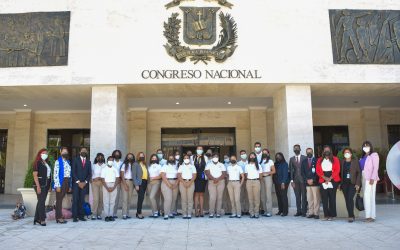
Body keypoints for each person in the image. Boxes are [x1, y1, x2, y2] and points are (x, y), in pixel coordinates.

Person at [316, 145, 341, 221]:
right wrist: (324, 178)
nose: (326, 151)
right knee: (324, 198)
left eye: (328, 150)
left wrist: (330, 178)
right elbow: (317, 170)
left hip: (333, 178)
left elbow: (337, 169)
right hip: (323, 178)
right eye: (325, 150)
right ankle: (326, 215)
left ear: (330, 151)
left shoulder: (335, 159)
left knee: (332, 198)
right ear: (323, 151)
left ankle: (332, 215)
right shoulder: (320, 160)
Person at [339, 148, 361, 223]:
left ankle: (351, 216)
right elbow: (340, 173)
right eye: (345, 152)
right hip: (344, 184)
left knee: (349, 198)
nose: (347, 153)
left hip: (353, 183)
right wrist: (339, 183)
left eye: (348, 152)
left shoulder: (355, 161)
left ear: (351, 154)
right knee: (347, 200)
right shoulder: (342, 161)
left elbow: (359, 173)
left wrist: (358, 184)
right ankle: (350, 215)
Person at [360, 141, 380, 222]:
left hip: (370, 178)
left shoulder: (374, 155)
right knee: (366, 196)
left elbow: (376, 168)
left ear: (370, 146)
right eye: (364, 146)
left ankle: (370, 216)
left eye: (367, 146)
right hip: (363, 176)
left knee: (369, 196)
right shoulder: (363, 156)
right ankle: (369, 216)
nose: (365, 147)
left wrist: (372, 178)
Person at [72, 147, 92, 222]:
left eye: (85, 151)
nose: (84, 152)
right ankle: (74, 216)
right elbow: (73, 172)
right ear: (80, 152)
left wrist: (85, 182)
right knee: (75, 200)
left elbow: (89, 174)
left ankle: (81, 216)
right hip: (76, 184)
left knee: (82, 200)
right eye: (82, 150)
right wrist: (78, 182)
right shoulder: (75, 160)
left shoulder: (88, 162)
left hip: (84, 185)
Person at [33, 149, 52, 226]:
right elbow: (35, 175)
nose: (45, 154)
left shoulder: (47, 163)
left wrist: (50, 185)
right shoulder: (37, 163)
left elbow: (49, 175)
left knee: (41, 201)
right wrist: (38, 186)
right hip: (39, 184)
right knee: (41, 202)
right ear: (39, 154)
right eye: (43, 153)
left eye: (46, 153)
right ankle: (42, 219)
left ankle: (36, 219)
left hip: (46, 184)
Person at [53, 147, 72, 224]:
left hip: (67, 181)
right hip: (61, 182)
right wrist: (57, 185)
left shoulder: (68, 162)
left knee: (61, 199)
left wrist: (70, 185)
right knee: (59, 200)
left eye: (66, 151)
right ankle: (59, 217)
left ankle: (59, 216)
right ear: (60, 152)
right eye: (63, 151)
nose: (65, 153)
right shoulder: (58, 161)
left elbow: (69, 174)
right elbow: (56, 174)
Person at [205, 153, 227, 218]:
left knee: (219, 198)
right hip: (212, 182)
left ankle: (218, 213)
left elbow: (224, 173)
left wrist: (217, 179)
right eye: (214, 156)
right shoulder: (209, 164)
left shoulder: (221, 165)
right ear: (212, 157)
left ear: (218, 158)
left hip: (221, 182)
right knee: (212, 198)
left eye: (217, 156)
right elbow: (207, 172)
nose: (215, 158)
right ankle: (211, 213)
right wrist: (214, 179)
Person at [301, 148, 320, 219]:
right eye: (307, 152)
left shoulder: (317, 160)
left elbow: (318, 171)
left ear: (313, 152)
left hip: (315, 183)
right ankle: (311, 212)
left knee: (316, 198)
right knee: (309, 199)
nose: (309, 153)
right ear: (306, 153)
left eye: (310, 152)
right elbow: (302, 172)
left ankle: (316, 213)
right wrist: (307, 180)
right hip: (307, 183)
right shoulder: (304, 161)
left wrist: (313, 179)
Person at [289, 144, 307, 217]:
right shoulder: (292, 159)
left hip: (303, 180)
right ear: (293, 150)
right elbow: (290, 170)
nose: (296, 149)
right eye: (295, 148)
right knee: (297, 196)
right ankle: (298, 211)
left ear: (300, 149)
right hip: (295, 180)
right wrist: (291, 181)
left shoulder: (304, 158)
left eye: (297, 148)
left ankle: (304, 211)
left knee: (304, 196)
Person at [178, 154, 197, 219]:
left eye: (187, 158)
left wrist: (189, 182)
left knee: (190, 199)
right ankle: (184, 213)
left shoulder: (192, 166)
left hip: (191, 182)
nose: (186, 159)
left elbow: (194, 175)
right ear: (183, 159)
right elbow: (179, 175)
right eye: (185, 158)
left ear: (189, 159)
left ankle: (189, 213)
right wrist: (184, 182)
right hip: (182, 182)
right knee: (183, 199)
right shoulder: (181, 166)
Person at [101, 156, 120, 222]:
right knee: (106, 201)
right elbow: (102, 179)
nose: (111, 161)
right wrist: (107, 188)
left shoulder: (115, 169)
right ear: (107, 161)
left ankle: (111, 215)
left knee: (112, 201)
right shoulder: (104, 169)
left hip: (113, 185)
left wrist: (114, 187)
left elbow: (117, 178)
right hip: (106, 185)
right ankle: (106, 216)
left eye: (112, 160)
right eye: (109, 160)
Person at [160, 155, 179, 220]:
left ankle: (171, 212)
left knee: (174, 198)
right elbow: (163, 175)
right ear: (168, 159)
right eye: (170, 158)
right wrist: (169, 184)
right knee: (168, 199)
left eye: (172, 158)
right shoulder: (165, 166)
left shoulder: (176, 166)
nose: (171, 159)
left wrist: (176, 183)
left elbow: (179, 175)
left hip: (175, 182)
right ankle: (166, 214)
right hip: (166, 182)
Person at [132, 152, 149, 219]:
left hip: (145, 182)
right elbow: (134, 175)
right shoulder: (135, 164)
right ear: (138, 157)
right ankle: (139, 213)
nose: (142, 157)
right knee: (141, 197)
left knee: (141, 198)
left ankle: (138, 212)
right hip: (139, 182)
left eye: (143, 156)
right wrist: (136, 185)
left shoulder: (144, 164)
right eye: (140, 156)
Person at [245, 153, 262, 218]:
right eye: (251, 155)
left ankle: (256, 212)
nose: (252, 156)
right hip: (249, 181)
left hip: (256, 181)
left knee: (256, 198)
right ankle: (251, 212)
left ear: (255, 157)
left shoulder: (259, 165)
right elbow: (246, 175)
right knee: (250, 198)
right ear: (249, 157)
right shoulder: (247, 166)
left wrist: (257, 180)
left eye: (253, 155)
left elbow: (260, 175)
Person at [274, 152, 289, 217]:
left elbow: (285, 174)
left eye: (279, 156)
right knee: (279, 197)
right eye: (277, 156)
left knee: (284, 197)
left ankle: (285, 212)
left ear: (282, 157)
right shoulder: (275, 164)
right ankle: (280, 210)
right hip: (277, 183)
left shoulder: (285, 164)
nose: (278, 157)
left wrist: (283, 182)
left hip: (283, 183)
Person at [193, 146, 207, 217]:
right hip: (195, 177)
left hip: (202, 177)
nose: (199, 150)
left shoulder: (205, 157)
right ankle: (196, 210)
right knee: (196, 194)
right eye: (198, 149)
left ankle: (201, 210)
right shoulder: (192, 157)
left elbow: (207, 167)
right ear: (196, 150)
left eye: (201, 149)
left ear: (203, 150)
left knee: (201, 194)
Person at [120, 153, 135, 220]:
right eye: (128, 157)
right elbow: (122, 175)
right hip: (125, 181)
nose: (130, 158)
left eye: (131, 157)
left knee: (129, 199)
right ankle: (124, 214)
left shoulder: (134, 165)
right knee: (125, 199)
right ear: (126, 157)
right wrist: (125, 184)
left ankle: (127, 213)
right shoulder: (123, 165)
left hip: (131, 182)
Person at [91, 153, 105, 220]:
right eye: (98, 157)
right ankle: (94, 214)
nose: (100, 158)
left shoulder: (105, 166)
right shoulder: (93, 166)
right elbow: (90, 175)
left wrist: (100, 177)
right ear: (96, 158)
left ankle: (99, 214)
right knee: (96, 199)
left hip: (103, 183)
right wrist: (93, 179)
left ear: (103, 158)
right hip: (95, 183)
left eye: (101, 157)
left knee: (101, 199)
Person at [254, 143, 265, 214]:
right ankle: (257, 209)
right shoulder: (253, 155)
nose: (257, 148)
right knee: (255, 194)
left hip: (263, 176)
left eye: (258, 146)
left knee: (263, 193)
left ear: (260, 147)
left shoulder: (264, 155)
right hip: (254, 177)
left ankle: (263, 208)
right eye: (256, 147)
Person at [112, 150, 123, 219]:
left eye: (118, 154)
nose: (117, 155)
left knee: (118, 198)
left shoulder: (122, 163)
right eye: (115, 154)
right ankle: (112, 213)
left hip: (122, 181)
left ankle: (115, 213)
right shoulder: (111, 163)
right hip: (114, 181)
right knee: (114, 198)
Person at [237, 150, 249, 215]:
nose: (243, 155)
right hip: (241, 180)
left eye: (244, 153)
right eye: (242, 154)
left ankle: (247, 209)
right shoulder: (238, 163)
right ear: (240, 155)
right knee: (241, 196)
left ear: (246, 154)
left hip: (248, 180)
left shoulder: (249, 162)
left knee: (247, 196)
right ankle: (241, 210)